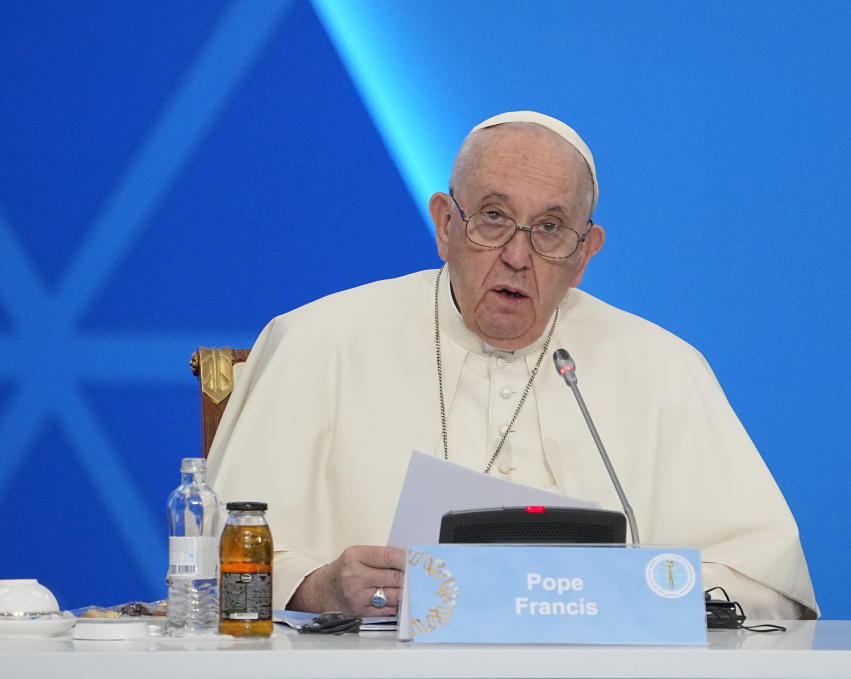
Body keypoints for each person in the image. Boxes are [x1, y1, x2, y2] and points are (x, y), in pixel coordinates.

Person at [207, 111, 819, 620]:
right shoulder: (318, 341)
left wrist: (631, 596)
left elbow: (763, 583)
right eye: (494, 217)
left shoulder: (663, 369)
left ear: (584, 255)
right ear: (446, 224)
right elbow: (211, 568)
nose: (518, 256)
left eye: (551, 229)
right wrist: (316, 589)